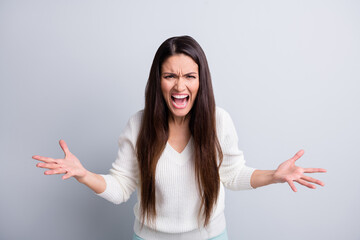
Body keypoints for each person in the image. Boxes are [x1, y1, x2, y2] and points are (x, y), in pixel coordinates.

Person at [32, 35, 327, 240]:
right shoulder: (138, 125)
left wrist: (275, 175)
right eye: (170, 75)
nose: (179, 86)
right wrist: (84, 175)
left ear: (201, 80)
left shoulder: (218, 121)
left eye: (189, 76)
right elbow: (121, 187)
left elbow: (233, 174)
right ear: (157, 80)